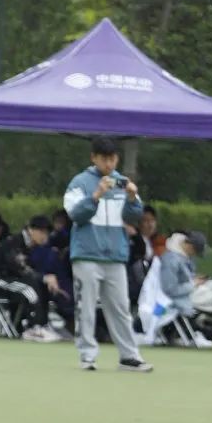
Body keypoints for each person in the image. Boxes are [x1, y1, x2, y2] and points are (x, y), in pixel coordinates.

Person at [63, 136, 153, 373]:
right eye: (104, 159)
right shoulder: (79, 183)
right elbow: (75, 214)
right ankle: (87, 356)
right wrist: (95, 196)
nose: (109, 164)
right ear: (93, 158)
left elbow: (134, 216)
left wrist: (132, 198)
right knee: (86, 307)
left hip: (115, 256)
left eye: (112, 159)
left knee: (121, 308)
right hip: (86, 255)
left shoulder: (122, 182)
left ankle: (129, 356)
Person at [160, 230, 212, 350]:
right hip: (181, 299)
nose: (195, 255)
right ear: (189, 246)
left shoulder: (184, 255)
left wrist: (195, 280)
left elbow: (186, 278)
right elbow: (169, 289)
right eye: (196, 251)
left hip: (193, 291)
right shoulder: (170, 259)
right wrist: (193, 283)